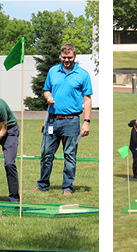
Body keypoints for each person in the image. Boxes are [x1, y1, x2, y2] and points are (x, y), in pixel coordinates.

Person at [31, 43, 93, 196]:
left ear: (75, 56)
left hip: (71, 122)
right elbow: (46, 90)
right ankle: (42, 185)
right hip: (52, 120)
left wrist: (86, 121)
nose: (66, 60)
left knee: (70, 155)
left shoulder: (83, 74)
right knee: (46, 153)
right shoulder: (53, 71)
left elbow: (87, 99)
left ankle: (67, 187)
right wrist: (48, 98)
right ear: (60, 56)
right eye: (64, 57)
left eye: (69, 57)